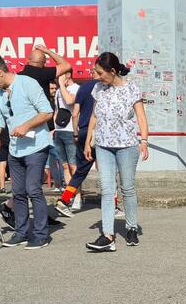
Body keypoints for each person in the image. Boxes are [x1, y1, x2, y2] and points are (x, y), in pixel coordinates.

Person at [0, 54, 54, 249]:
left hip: (36, 147)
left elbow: (47, 112)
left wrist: (26, 125)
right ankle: (21, 232)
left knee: (33, 189)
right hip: (15, 150)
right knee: (18, 192)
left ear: (0, 72)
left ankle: (41, 235)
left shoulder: (28, 84)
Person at [85, 52, 150, 252]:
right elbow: (94, 116)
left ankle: (131, 227)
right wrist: (88, 141)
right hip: (103, 145)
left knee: (127, 188)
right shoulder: (98, 88)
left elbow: (141, 116)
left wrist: (144, 140)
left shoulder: (131, 88)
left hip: (127, 145)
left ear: (112, 71)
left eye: (100, 73)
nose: (97, 76)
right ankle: (108, 236)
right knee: (107, 189)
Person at [55, 77, 99, 216]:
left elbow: (75, 114)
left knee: (80, 171)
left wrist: (75, 134)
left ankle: (64, 200)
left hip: (83, 131)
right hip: (100, 132)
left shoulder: (83, 87)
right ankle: (114, 205)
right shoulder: (105, 87)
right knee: (108, 170)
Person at [19, 44, 72, 117]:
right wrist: (47, 51)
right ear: (44, 63)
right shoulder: (45, 73)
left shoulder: (18, 76)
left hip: (23, 117)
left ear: (28, 60)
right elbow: (66, 65)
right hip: (42, 116)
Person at [54, 72, 80, 188]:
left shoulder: (76, 88)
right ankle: (69, 194)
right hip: (59, 131)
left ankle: (77, 194)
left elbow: (69, 101)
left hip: (71, 131)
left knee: (73, 165)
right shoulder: (58, 91)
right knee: (64, 165)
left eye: (60, 75)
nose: (57, 77)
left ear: (68, 75)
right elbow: (57, 110)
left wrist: (61, 84)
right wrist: (54, 128)